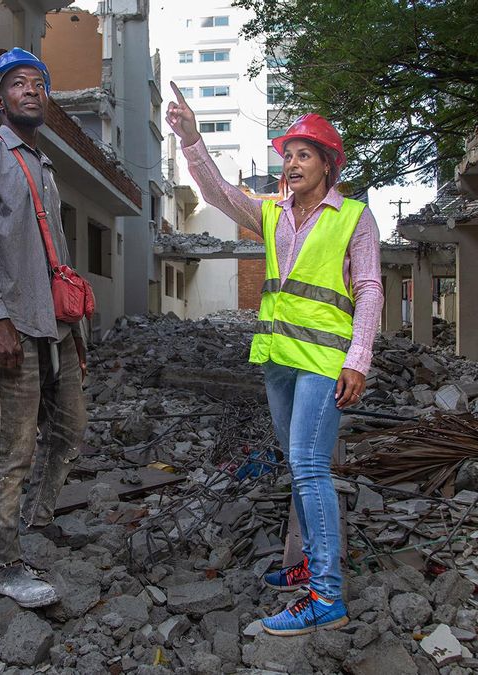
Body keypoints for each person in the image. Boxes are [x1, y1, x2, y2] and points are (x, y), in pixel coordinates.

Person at [165, 83, 383, 636]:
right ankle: (311, 564)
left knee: (309, 465)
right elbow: (217, 194)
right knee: (298, 463)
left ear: (328, 164)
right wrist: (191, 139)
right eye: (288, 155)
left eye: (304, 155)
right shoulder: (271, 212)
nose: (292, 163)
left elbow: (370, 289)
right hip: (279, 358)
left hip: (325, 360)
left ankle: (326, 595)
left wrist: (358, 359)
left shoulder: (354, 218)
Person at [0, 48, 88, 608]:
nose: (32, 90)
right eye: (18, 83)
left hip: (56, 326)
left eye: (39, 83)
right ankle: (2, 562)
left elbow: (58, 258)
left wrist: (76, 332)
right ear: (0, 100)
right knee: (10, 448)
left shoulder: (45, 167)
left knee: (70, 430)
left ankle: (40, 520)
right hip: (12, 324)